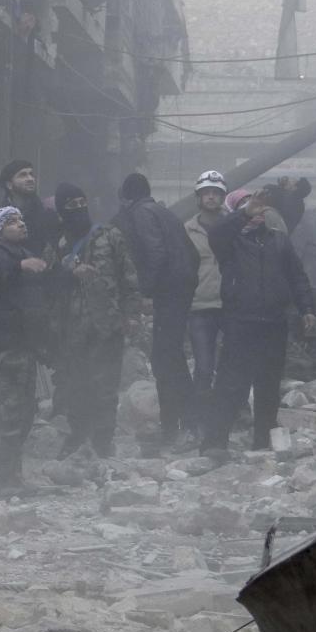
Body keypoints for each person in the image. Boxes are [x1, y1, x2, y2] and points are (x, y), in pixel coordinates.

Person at [200, 189, 315, 460]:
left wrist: (307, 308)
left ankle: (262, 441)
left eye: (258, 206)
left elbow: (297, 276)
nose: (255, 210)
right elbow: (216, 234)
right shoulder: (230, 243)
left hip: (274, 323)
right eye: (246, 206)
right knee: (231, 384)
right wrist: (242, 214)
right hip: (241, 321)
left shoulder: (279, 241)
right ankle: (214, 443)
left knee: (268, 385)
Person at [53, 184, 139, 459]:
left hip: (107, 323)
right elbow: (47, 281)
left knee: (105, 386)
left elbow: (129, 277)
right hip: (70, 327)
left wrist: (131, 314)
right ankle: (78, 435)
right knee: (76, 385)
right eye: (71, 204)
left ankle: (103, 441)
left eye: (82, 201)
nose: (79, 208)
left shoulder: (109, 235)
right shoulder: (56, 242)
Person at [113, 173, 199, 445]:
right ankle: (181, 424)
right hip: (180, 291)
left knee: (166, 360)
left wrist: (146, 291)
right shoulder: (166, 212)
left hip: (167, 293)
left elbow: (156, 253)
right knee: (169, 357)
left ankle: (180, 426)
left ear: (126, 197)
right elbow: (193, 254)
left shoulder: (141, 213)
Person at [0, 207, 48, 493]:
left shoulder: (20, 254)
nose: (21, 224)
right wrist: (19, 267)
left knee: (24, 411)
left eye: (21, 219)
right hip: (4, 346)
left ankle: (13, 476)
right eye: (12, 222)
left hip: (22, 344)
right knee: (7, 413)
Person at [184, 171, 227, 441]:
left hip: (231, 305)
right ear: (199, 197)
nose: (211, 196)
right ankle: (199, 420)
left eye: (216, 192)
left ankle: (229, 417)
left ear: (222, 197)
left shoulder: (234, 225)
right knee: (203, 366)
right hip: (199, 306)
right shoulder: (186, 231)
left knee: (231, 365)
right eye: (206, 192)